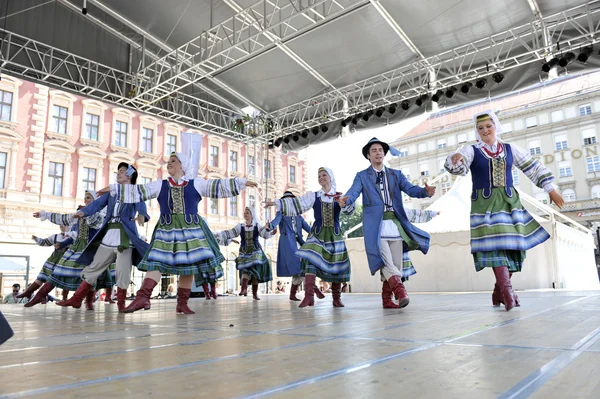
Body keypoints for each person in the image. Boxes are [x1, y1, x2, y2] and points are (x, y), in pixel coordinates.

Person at [98, 152, 257, 314]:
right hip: (166, 229)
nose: (169, 163)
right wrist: (114, 189)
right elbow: (138, 192)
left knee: (189, 264)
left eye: (173, 161)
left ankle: (182, 302)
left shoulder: (196, 184)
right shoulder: (160, 184)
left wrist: (242, 182)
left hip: (191, 229)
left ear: (183, 165)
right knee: (157, 260)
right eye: (168, 161)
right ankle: (143, 297)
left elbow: (217, 187)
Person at [445, 110, 564, 311]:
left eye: (488, 126)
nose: (485, 130)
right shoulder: (471, 150)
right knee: (496, 247)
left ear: (495, 127)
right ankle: (508, 292)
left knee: (515, 247)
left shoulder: (509, 149)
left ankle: (499, 291)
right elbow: (460, 165)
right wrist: (455, 158)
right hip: (485, 205)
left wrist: (550, 189)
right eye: (480, 127)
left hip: (509, 202)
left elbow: (532, 167)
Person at [338, 138, 436, 309]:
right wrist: (346, 201)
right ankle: (400, 291)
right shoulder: (362, 176)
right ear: (368, 156)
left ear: (384, 153)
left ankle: (386, 299)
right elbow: (352, 192)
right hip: (376, 226)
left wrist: (425, 192)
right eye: (374, 150)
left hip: (396, 225)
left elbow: (411, 190)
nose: (378, 152)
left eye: (380, 150)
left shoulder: (395, 175)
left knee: (395, 264)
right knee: (386, 262)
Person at [60, 163, 149, 312]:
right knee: (95, 265)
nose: (118, 174)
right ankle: (77, 299)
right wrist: (82, 213)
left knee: (122, 270)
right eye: (118, 171)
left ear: (130, 175)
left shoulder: (135, 191)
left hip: (125, 236)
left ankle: (121, 304)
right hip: (109, 234)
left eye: (122, 171)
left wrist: (141, 216)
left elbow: (141, 206)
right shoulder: (112, 193)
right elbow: (97, 204)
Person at [265, 167, 355, 308]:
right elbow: (298, 203)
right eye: (319, 176)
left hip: (334, 234)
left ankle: (336, 298)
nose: (321, 178)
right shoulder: (314, 196)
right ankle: (308, 297)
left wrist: (345, 204)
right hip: (317, 234)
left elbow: (349, 210)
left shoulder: (339, 196)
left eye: (324, 175)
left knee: (337, 264)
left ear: (331, 177)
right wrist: (277, 203)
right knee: (309, 262)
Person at [27, 190, 110, 308]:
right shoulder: (81, 213)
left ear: (96, 201)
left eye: (88, 198)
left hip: (90, 248)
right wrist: (44, 215)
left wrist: (86, 212)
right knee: (59, 270)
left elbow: (94, 222)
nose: (86, 200)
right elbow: (64, 218)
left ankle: (89, 301)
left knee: (90, 276)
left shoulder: (100, 215)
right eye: (85, 198)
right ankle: (40, 295)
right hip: (76, 248)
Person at [215, 207, 276, 301]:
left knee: (255, 272)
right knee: (245, 269)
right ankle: (243, 289)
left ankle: (255, 293)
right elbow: (231, 233)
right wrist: (220, 234)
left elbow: (264, 235)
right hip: (244, 251)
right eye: (244, 213)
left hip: (255, 250)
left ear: (252, 215)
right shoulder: (240, 226)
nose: (245, 214)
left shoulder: (257, 225)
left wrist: (271, 232)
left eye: (247, 213)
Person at [267, 191, 319, 302]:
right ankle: (312, 288)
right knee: (298, 266)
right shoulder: (281, 213)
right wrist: (269, 226)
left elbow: (308, 229)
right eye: (286, 200)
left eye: (291, 200)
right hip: (288, 244)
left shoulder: (299, 216)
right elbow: (275, 222)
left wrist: (318, 234)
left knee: (306, 264)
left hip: (299, 243)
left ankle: (296, 293)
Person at [16, 225, 73, 302]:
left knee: (65, 278)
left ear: (69, 226)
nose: (61, 226)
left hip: (66, 259)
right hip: (53, 260)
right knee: (43, 275)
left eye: (64, 225)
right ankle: (29, 291)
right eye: (60, 225)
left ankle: (64, 298)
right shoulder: (55, 236)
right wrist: (36, 239)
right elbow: (45, 242)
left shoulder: (73, 236)